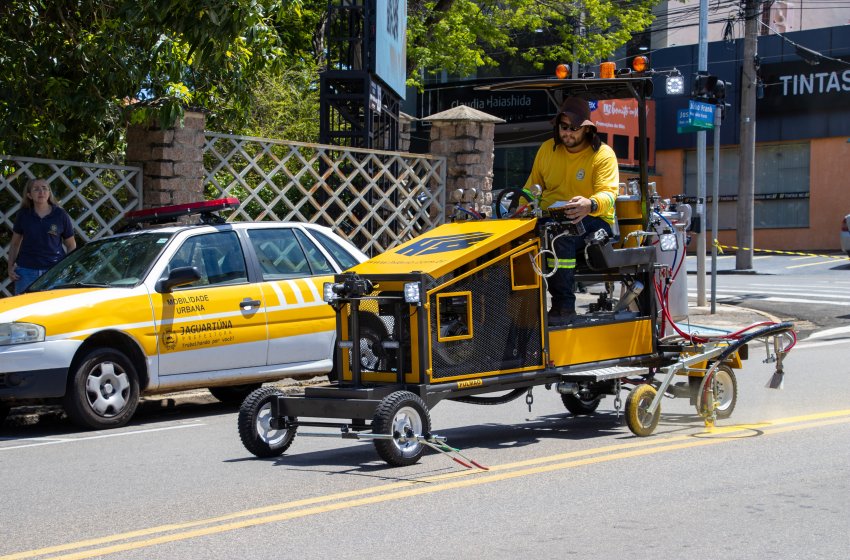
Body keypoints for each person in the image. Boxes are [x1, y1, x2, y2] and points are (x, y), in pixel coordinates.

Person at [524, 96, 619, 324]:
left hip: (594, 220)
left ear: (587, 129)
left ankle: (563, 308)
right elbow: (531, 189)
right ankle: (522, 312)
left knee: (560, 237)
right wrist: (520, 210)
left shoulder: (603, 155)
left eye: (574, 128)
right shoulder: (547, 149)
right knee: (519, 240)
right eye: (563, 127)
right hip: (550, 218)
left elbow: (609, 194)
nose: (567, 133)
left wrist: (589, 204)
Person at [7, 178, 76, 294]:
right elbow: (14, 244)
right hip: (26, 271)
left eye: (45, 188)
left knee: (54, 309)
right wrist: (10, 267)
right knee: (25, 309)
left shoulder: (60, 215)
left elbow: (71, 244)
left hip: (54, 271)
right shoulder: (23, 215)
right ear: (29, 195)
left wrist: (66, 267)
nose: (41, 192)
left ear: (49, 193)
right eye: (36, 189)